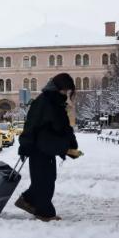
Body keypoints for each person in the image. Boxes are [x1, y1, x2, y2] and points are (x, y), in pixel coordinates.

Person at [14, 73, 80, 222]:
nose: (67, 93)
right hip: (38, 148)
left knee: (48, 179)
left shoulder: (57, 103)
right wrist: (25, 145)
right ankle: (45, 213)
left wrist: (71, 145)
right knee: (43, 182)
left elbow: (64, 127)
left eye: (69, 91)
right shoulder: (43, 102)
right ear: (58, 88)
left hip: (49, 148)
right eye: (65, 90)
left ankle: (27, 201)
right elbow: (31, 125)